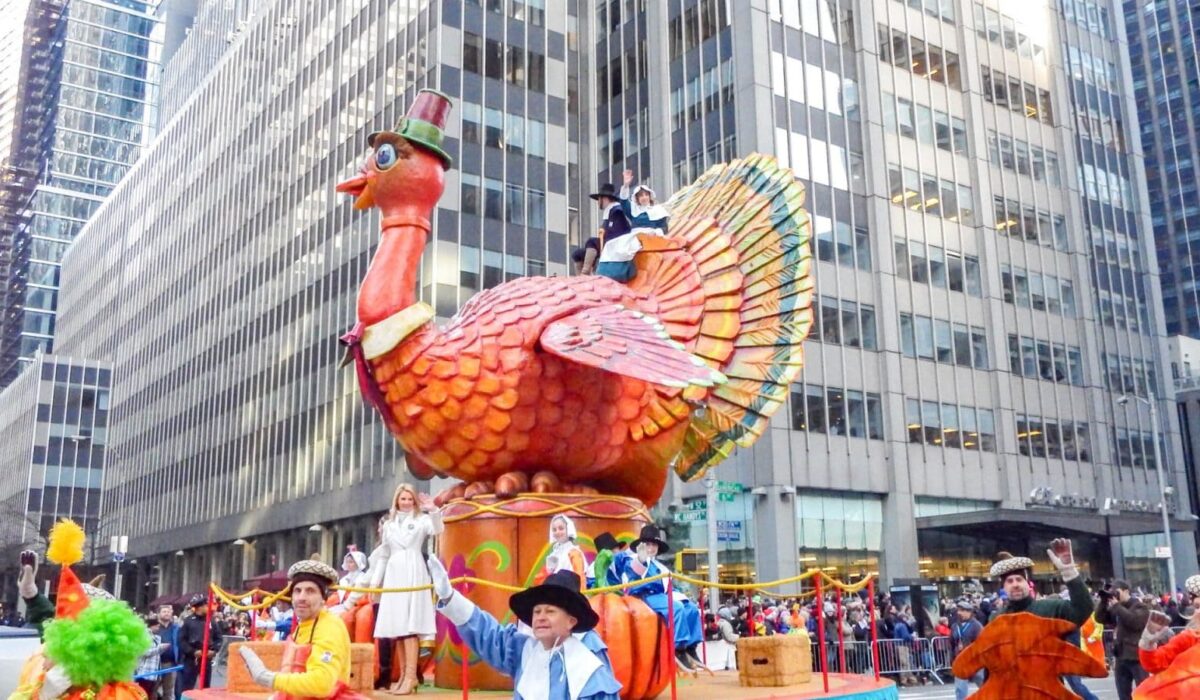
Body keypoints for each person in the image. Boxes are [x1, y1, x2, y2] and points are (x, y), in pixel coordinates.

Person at [426, 557, 622, 699]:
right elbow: (488, 634)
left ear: (571, 621)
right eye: (537, 612)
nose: (541, 617)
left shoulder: (589, 666)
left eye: (550, 611)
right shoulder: (525, 650)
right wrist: (449, 597)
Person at [238, 560, 368, 700]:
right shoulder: (305, 624)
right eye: (297, 591)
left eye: (310, 591)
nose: (301, 598)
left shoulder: (329, 627)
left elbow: (322, 683)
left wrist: (268, 678)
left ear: (323, 598)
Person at [370, 483, 443, 694]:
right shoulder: (389, 525)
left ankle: (411, 677)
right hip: (394, 573)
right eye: (403, 499)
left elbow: (438, 529)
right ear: (397, 501)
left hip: (413, 570)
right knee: (398, 627)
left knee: (410, 625)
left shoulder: (422, 520)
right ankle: (402, 675)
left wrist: (434, 510)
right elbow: (383, 554)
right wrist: (376, 582)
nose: (407, 503)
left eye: (410, 499)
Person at [607, 524, 704, 671]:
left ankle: (691, 646)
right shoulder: (632, 558)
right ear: (641, 545)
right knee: (676, 608)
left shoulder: (661, 567)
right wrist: (640, 560)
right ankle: (678, 648)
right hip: (642, 597)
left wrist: (684, 598)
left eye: (654, 544)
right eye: (648, 544)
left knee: (691, 608)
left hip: (661, 596)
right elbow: (633, 573)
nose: (651, 548)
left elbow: (670, 587)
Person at [1096, 579, 1149, 700]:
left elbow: (1135, 622)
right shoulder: (1116, 607)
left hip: (1137, 656)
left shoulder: (1140, 606)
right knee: (1123, 694)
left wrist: (1117, 606)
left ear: (1126, 591)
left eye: (1117, 591)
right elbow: (1099, 618)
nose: (1114, 594)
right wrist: (1104, 601)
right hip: (1120, 655)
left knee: (1144, 692)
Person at [590, 182, 635, 282]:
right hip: (609, 244)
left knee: (591, 242)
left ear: (604, 198)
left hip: (617, 244)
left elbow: (616, 232)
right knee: (578, 254)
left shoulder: (616, 212)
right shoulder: (610, 212)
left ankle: (586, 272)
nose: (598, 202)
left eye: (599, 199)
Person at [329, 546, 374, 644]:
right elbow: (339, 594)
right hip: (343, 604)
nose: (349, 564)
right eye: (347, 562)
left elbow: (362, 595)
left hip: (356, 605)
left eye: (351, 562)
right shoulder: (344, 579)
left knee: (346, 618)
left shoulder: (363, 578)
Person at [180, 594, 222, 690]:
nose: (208, 607)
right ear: (200, 607)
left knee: (206, 687)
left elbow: (219, 638)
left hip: (207, 657)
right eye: (206, 606)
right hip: (191, 659)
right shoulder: (188, 621)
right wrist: (192, 652)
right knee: (188, 686)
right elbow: (182, 640)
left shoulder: (211, 621)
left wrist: (214, 650)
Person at [619, 170, 669, 236]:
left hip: (652, 240)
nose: (644, 197)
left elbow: (664, 228)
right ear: (637, 199)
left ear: (649, 196)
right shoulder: (634, 210)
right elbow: (623, 201)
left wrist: (655, 232)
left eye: (646, 195)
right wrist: (626, 185)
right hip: (635, 239)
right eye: (641, 195)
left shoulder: (658, 210)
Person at [951, 600, 983, 700]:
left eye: (962, 610)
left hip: (975, 660)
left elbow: (982, 642)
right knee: (960, 689)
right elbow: (952, 643)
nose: (959, 613)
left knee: (983, 682)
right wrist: (952, 659)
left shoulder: (977, 626)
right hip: (960, 660)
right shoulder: (955, 626)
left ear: (969, 612)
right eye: (958, 610)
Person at [540, 514, 586, 582]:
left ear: (568, 529)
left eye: (561, 528)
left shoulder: (574, 552)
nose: (557, 532)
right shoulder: (553, 554)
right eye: (554, 530)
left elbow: (579, 578)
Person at [155, 603, 181, 700]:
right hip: (155, 663)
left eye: (169, 611)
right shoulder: (154, 627)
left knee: (169, 692)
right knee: (153, 689)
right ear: (158, 614)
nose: (167, 614)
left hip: (170, 663)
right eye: (164, 611)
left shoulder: (176, 628)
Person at [136, 616, 163, 696]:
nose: (158, 628)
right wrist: (159, 649)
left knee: (150, 694)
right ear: (152, 626)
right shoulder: (144, 637)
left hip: (154, 672)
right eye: (157, 626)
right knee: (144, 694)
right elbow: (144, 652)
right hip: (145, 673)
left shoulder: (156, 637)